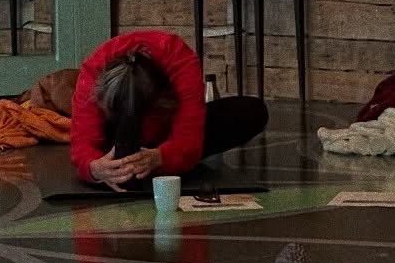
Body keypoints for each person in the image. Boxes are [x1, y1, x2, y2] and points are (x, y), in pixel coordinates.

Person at [69, 29, 268, 190]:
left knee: (251, 111)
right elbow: (82, 142)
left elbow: (188, 136)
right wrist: (94, 168)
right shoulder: (94, 69)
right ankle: (128, 164)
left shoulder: (179, 59)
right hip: (115, 146)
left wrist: (161, 157)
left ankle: (150, 161)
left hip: (166, 135)